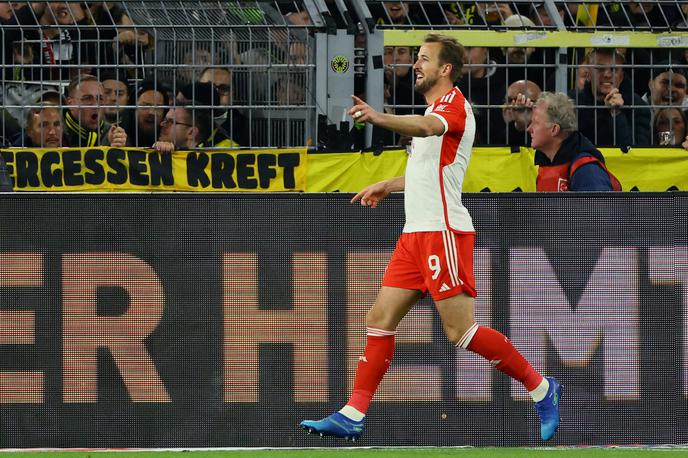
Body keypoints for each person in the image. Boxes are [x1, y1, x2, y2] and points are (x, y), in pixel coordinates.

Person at [300, 33, 562, 443]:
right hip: (414, 234)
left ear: (445, 69)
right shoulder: (433, 109)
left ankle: (542, 388)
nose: (416, 65)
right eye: (417, 58)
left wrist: (378, 117)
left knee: (461, 332)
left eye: (424, 59)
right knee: (379, 319)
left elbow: (424, 127)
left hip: (442, 231)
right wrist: (389, 183)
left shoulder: (453, 106)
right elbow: (428, 171)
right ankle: (353, 413)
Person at [527, 91, 620, 191]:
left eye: (535, 123)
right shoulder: (546, 164)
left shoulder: (587, 170)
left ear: (554, 129)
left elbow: (600, 206)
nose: (529, 129)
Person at [568, 48, 651, 148]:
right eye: (600, 68)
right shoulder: (571, 103)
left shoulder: (638, 106)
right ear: (589, 75)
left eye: (614, 69)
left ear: (621, 77)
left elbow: (637, 154)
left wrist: (617, 114)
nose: (607, 74)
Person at [63, 74, 128, 147]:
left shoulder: (112, 134)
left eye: (100, 98)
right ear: (70, 103)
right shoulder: (56, 131)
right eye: (87, 98)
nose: (96, 104)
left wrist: (114, 150)